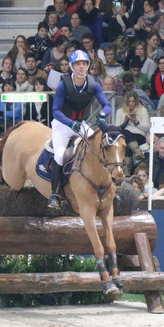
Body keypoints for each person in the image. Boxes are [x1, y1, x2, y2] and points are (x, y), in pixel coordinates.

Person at [48, 49, 112, 212]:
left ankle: (107, 186)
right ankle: (55, 195)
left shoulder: (93, 84)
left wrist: (103, 115)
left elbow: (107, 106)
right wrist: (70, 124)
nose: (82, 66)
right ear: (72, 66)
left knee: (99, 148)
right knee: (60, 155)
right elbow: (55, 111)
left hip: (81, 124)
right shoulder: (63, 85)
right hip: (62, 124)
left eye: (84, 63)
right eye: (78, 64)